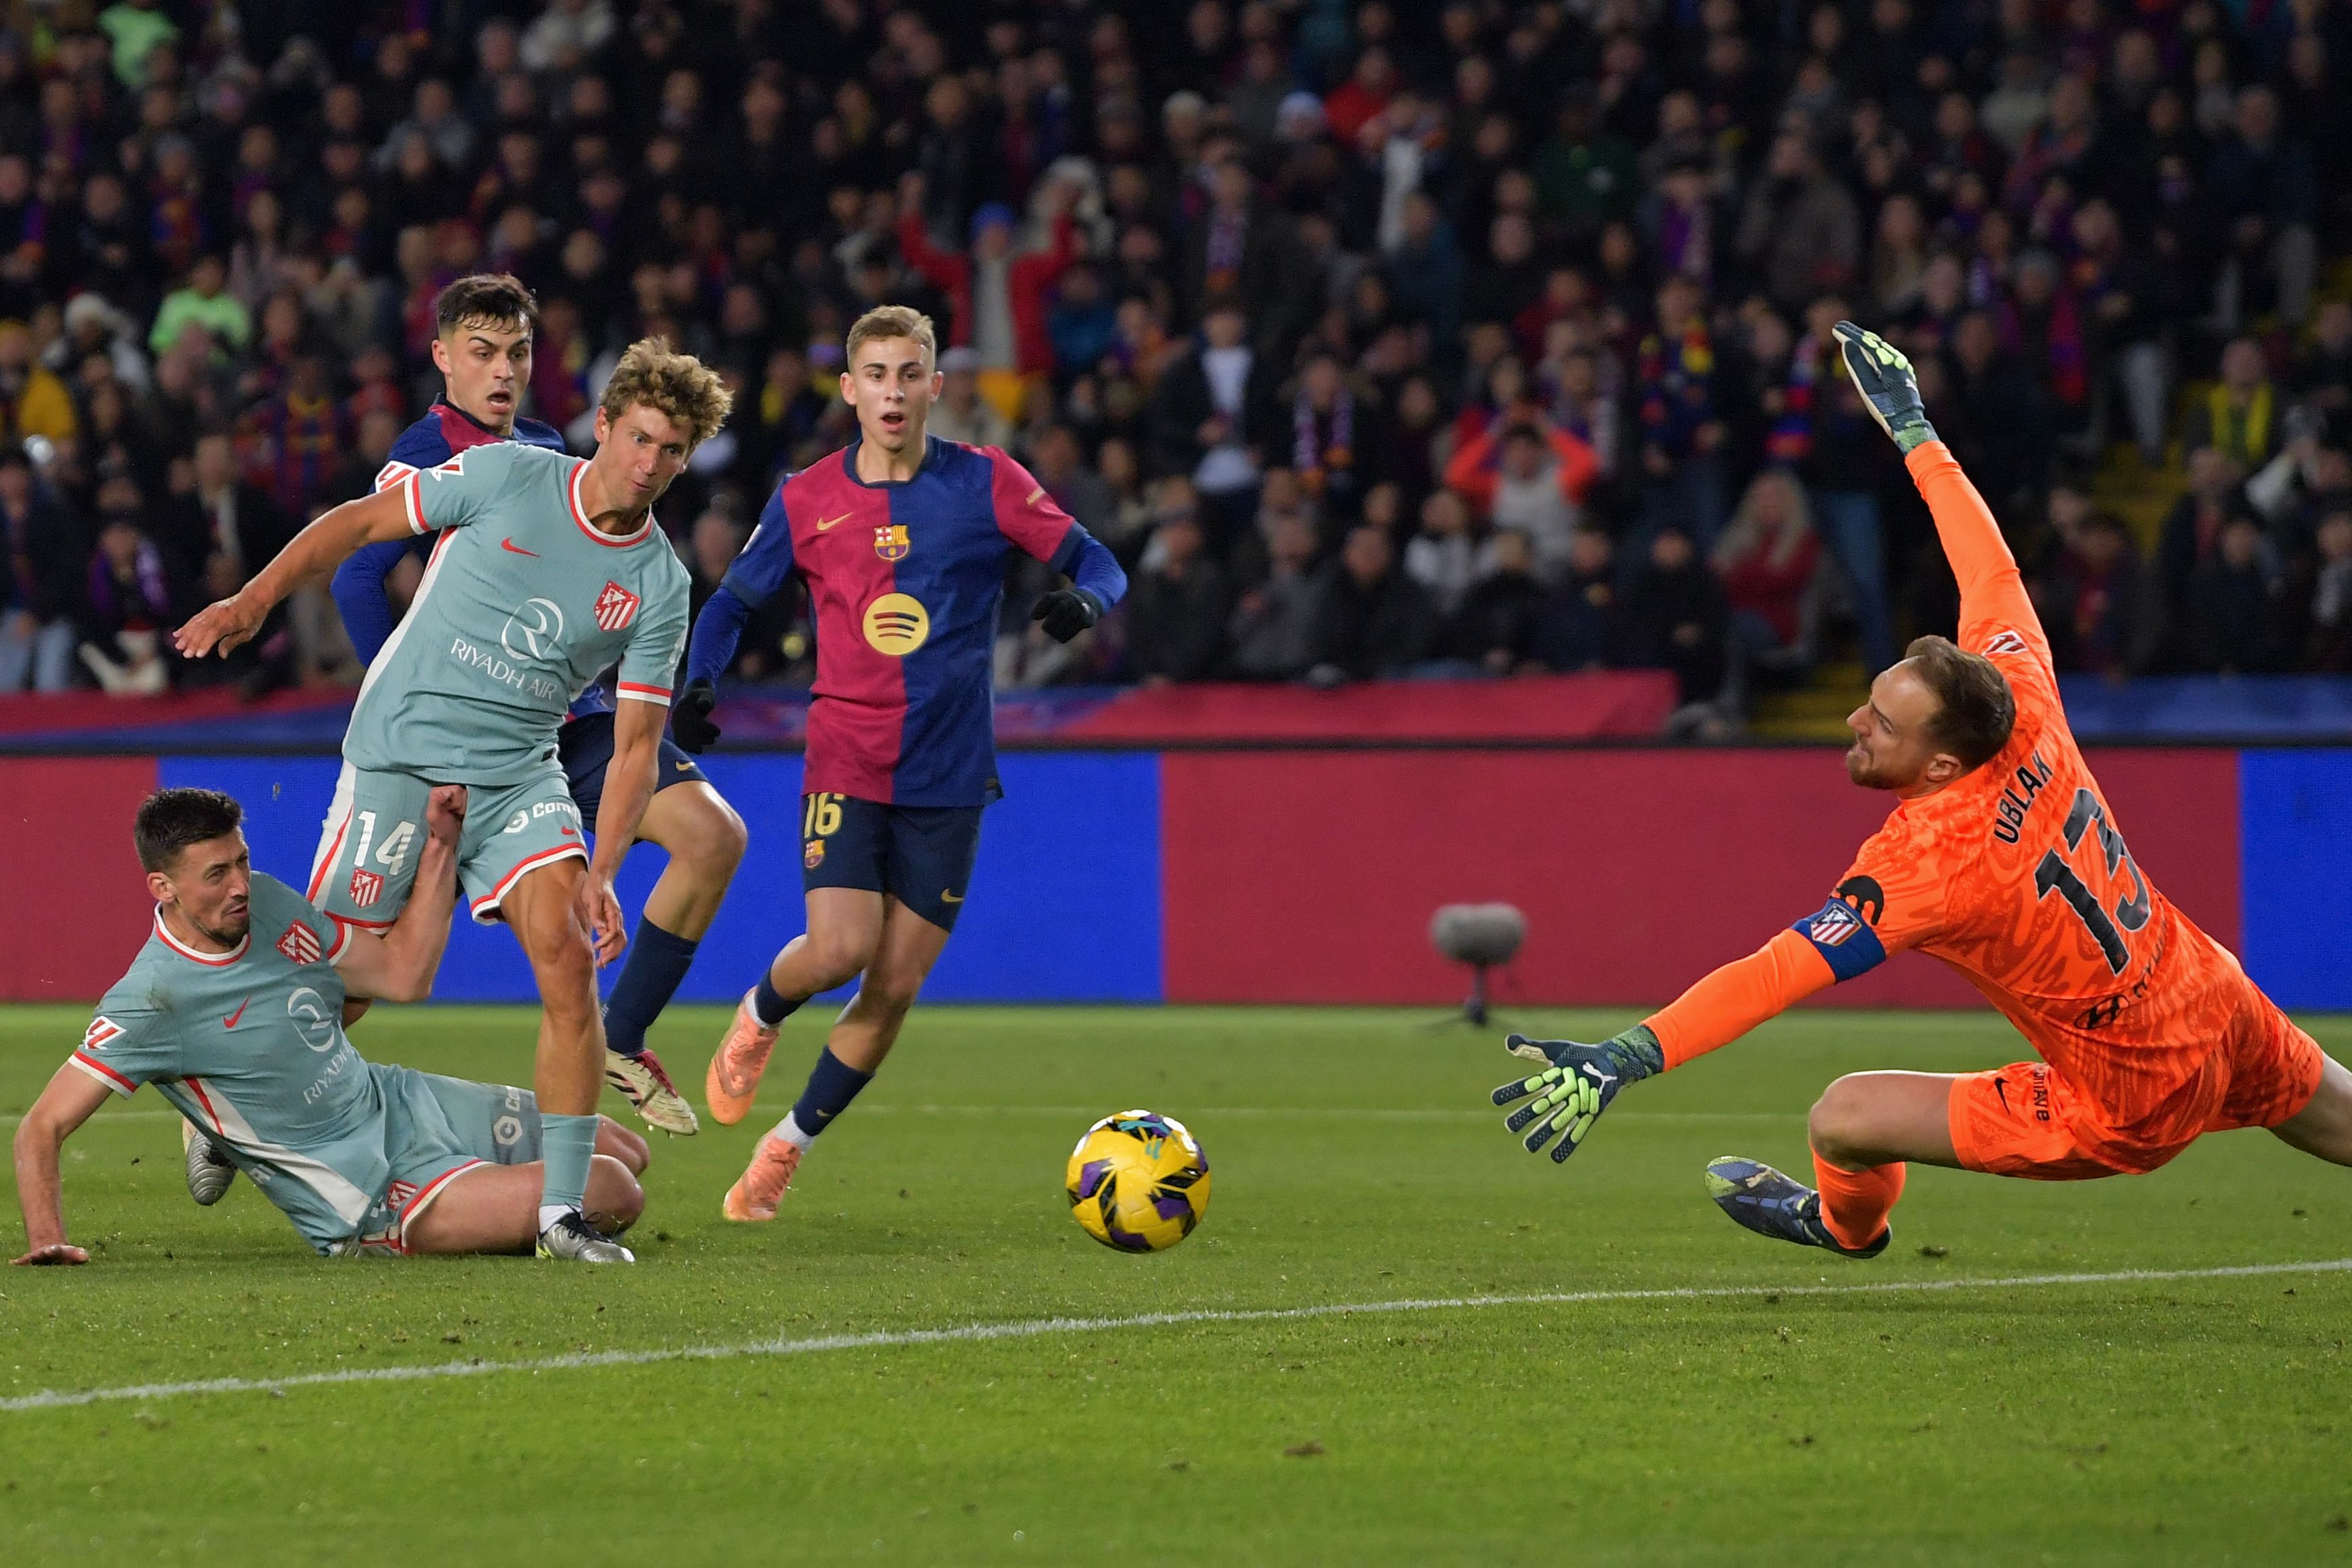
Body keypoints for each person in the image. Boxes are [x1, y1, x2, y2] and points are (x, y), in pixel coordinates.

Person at [1491, 324, 2352, 1258]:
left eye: (1884, 724)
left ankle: (1842, 1227)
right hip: (2211, 995)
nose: (1856, 724)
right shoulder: (2022, 696)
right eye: (1870, 702)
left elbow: (1776, 972)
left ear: (1941, 765)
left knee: (1840, 1118)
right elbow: (1989, 567)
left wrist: (1629, 1054)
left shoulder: (1929, 863)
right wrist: (1912, 428)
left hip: (2128, 1096)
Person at [173, 339, 730, 1265]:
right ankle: (228, 1086)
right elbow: (357, 526)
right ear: (605, 425)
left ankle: (560, 1216)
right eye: (639, 438)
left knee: (565, 959)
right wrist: (252, 599)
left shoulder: (659, 584)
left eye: (672, 451)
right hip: (402, 754)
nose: (649, 465)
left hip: (517, 774)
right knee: (336, 976)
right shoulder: (509, 473)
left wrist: (603, 871)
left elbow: (634, 749)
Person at [677, 304, 1126, 1223]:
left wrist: (1086, 601)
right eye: (875, 374)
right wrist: (700, 683)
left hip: (952, 774)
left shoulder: (989, 483)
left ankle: (784, 1148)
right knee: (839, 950)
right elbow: (729, 605)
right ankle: (761, 1010)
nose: (892, 390)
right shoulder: (806, 497)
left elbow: (1101, 560)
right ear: (850, 389)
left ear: (935, 386)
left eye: (908, 373)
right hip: (847, 758)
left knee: (893, 987)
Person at [329, 276, 744, 1138]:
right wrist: (412, 698)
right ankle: (256, 1061)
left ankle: (620, 1035)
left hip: (566, 724)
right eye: (482, 353)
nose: (503, 371)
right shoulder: (426, 447)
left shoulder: (554, 446)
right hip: (453, 735)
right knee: (383, 963)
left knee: (713, 837)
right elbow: (358, 571)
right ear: (443, 359)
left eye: (517, 352)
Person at [10, 788, 649, 1265]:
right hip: (369, 1188)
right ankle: (225, 1131)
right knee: (608, 1186)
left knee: (626, 1149)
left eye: (241, 860)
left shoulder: (269, 902)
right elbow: (43, 1126)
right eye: (216, 874)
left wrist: (441, 847)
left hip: (397, 1101)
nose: (241, 885)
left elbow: (401, 976)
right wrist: (49, 1240)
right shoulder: (152, 999)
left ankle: (217, 1133)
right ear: (162, 888)